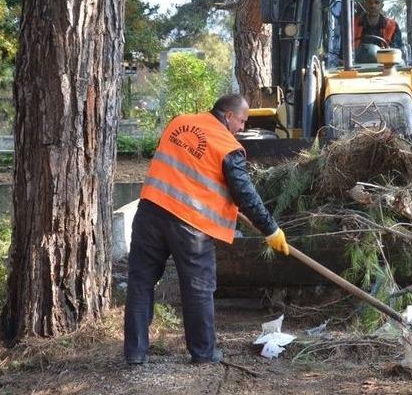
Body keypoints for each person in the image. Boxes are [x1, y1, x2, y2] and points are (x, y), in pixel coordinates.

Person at [124, 94, 290, 365]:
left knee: (140, 282)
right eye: (242, 121)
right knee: (198, 287)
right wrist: (271, 230)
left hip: (150, 212)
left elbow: (188, 168)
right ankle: (203, 353)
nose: (243, 128)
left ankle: (134, 353)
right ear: (227, 116)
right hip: (189, 225)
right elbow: (245, 194)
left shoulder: (179, 123)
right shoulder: (227, 146)